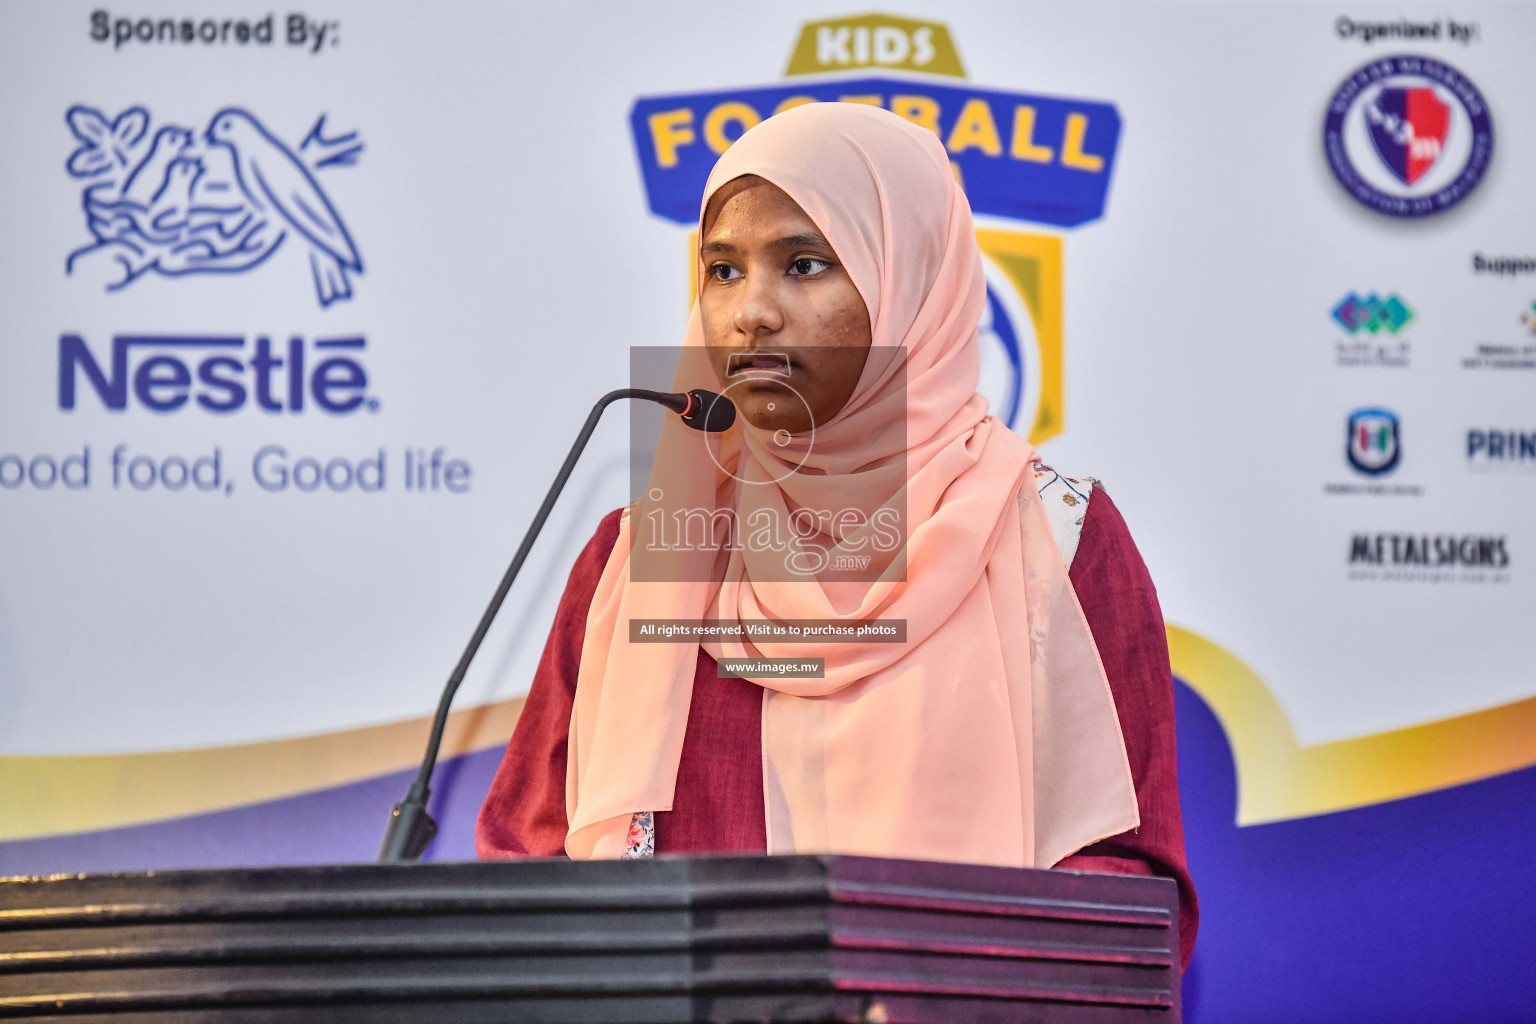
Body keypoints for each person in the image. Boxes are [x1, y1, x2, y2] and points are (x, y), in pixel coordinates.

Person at [477, 102, 1197, 969]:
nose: (752, 314)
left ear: (913, 284)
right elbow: (525, 857)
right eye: (723, 270)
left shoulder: (1056, 538)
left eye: (805, 264)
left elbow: (1124, 878)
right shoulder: (642, 553)